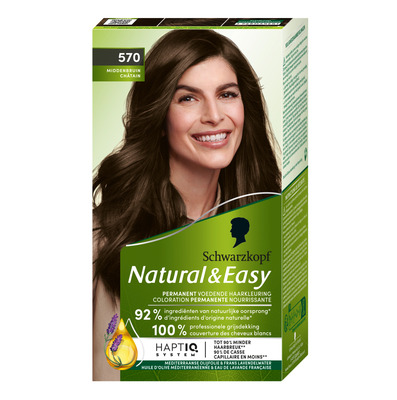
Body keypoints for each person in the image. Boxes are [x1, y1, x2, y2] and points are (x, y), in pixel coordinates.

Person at [92, 29, 281, 379]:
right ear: (160, 117)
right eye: (188, 98)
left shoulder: (270, 231)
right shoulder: (101, 240)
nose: (214, 115)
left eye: (227, 94)